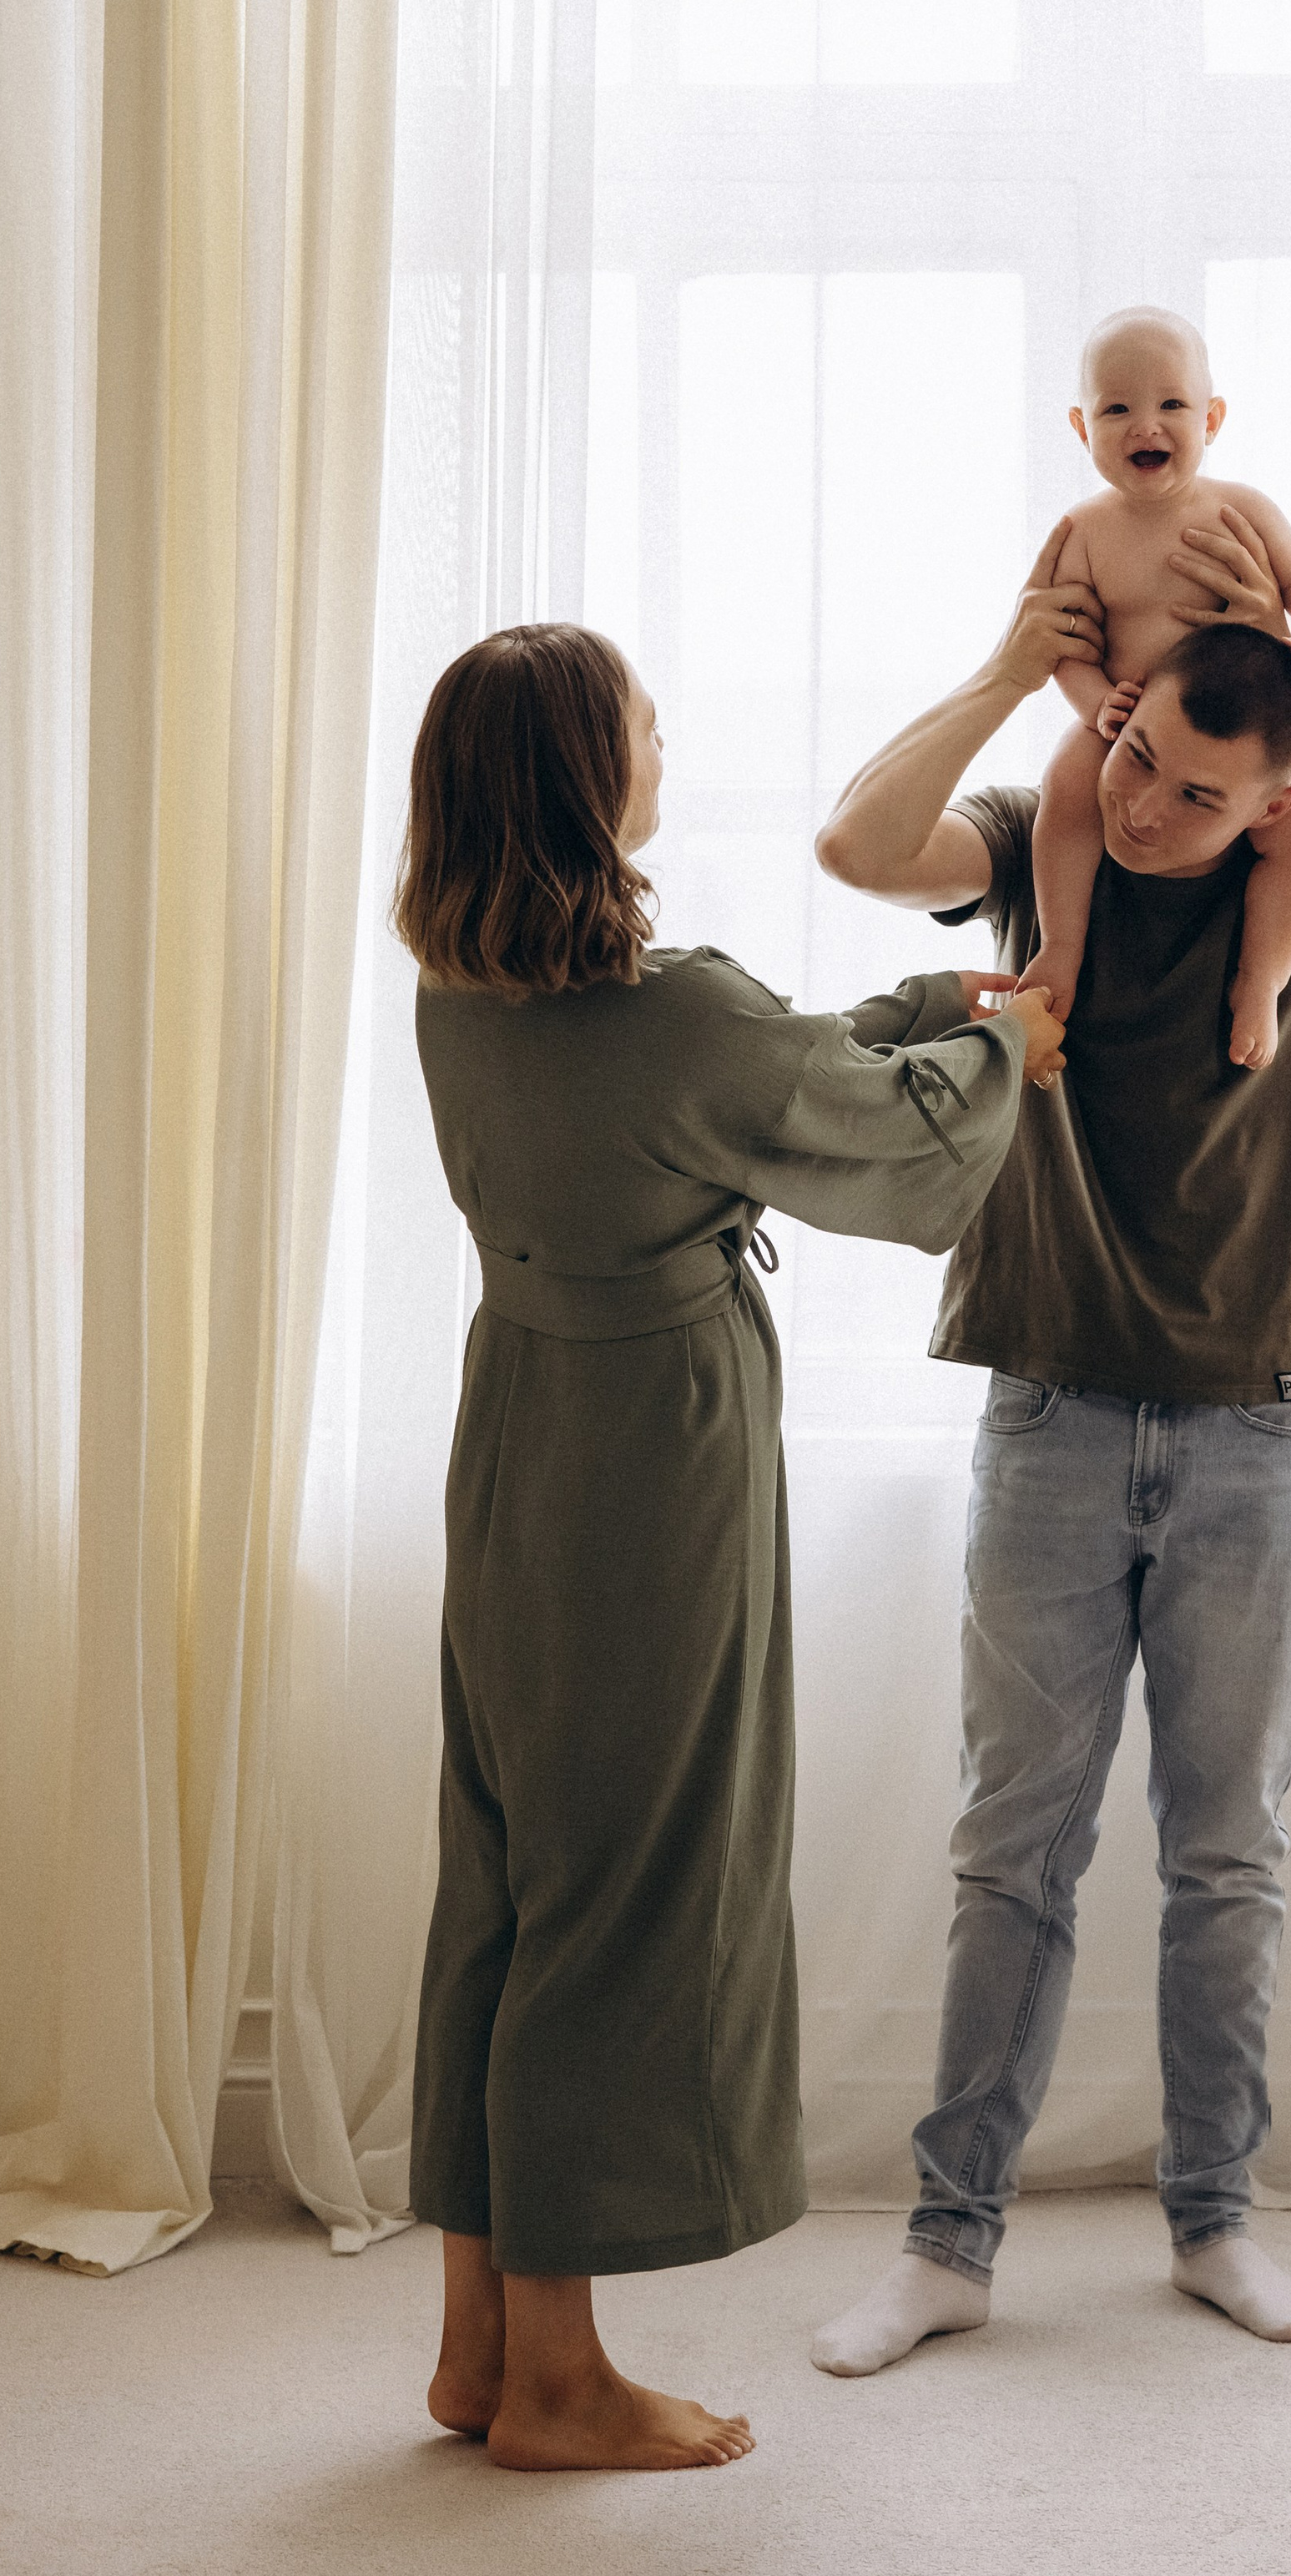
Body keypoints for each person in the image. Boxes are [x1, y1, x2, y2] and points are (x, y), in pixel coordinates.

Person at [807, 512, 1291, 2374]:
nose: (1146, 808)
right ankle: (947, 2244)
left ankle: (1214, 2222)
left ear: (1276, 805)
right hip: (1048, 1405)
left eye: (1203, 794)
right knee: (1011, 1850)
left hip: (1260, 1428)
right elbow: (856, 845)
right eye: (1136, 758)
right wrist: (1003, 669)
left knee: (1226, 1856)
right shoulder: (1040, 860)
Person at [393, 621, 1065, 2472]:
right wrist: (999, 1046)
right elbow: (873, 1141)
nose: (663, 744)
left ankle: (476, 2345)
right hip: (643, 1458)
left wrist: (933, 1009)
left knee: (511, 1869)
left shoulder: (463, 995)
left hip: (513, 1433)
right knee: (630, 1881)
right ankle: (556, 2379)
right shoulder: (672, 1015)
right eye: (640, 726)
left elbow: (755, 1064)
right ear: (577, 778)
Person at [1018, 306, 1291, 1070]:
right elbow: (1062, 645)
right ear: (1080, 427)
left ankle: (1261, 981)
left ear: (1212, 418)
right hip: (1129, 729)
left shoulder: (1243, 510)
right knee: (1065, 791)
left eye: (1171, 403)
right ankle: (1062, 944)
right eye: (1116, 409)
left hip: (1244, 737)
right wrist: (1094, 703)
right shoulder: (1083, 531)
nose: (1147, 424)